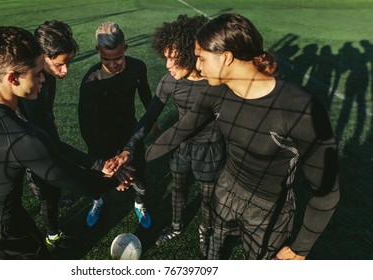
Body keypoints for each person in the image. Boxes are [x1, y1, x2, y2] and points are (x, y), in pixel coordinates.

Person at [145, 13, 340, 260]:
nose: (197, 66)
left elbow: (326, 191)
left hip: (270, 209)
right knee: (213, 253)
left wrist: (300, 248)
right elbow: (178, 132)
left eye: (201, 58)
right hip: (225, 190)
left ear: (225, 57)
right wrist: (133, 159)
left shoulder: (299, 109)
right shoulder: (216, 92)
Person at [0, 26, 129, 259]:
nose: (44, 78)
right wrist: (117, 177)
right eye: (37, 73)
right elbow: (83, 184)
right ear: (12, 78)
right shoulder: (22, 136)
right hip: (1, 242)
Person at [118, 15, 225, 257]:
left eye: (174, 59)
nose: (167, 65)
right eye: (166, 57)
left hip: (210, 148)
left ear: (192, 54)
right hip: (180, 146)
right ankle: (176, 227)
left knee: (208, 196)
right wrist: (129, 148)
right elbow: (148, 117)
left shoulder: (215, 83)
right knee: (178, 188)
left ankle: (205, 231)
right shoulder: (168, 82)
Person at [78, 22, 156, 229]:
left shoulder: (138, 67)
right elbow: (86, 125)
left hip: (129, 132)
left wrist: (154, 121)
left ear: (125, 49)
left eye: (118, 58)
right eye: (106, 59)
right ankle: (97, 201)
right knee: (98, 179)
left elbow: (147, 96)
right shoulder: (91, 80)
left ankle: (139, 204)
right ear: (97, 51)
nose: (113, 64)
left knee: (139, 173)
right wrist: (109, 164)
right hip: (100, 137)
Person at [18, 20, 79, 250]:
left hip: (40, 131)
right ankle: (52, 236)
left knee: (52, 187)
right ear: (42, 55)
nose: (65, 70)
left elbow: (45, 113)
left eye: (68, 63)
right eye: (60, 64)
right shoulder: (28, 84)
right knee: (49, 188)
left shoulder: (47, 75)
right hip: (28, 143)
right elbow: (34, 129)